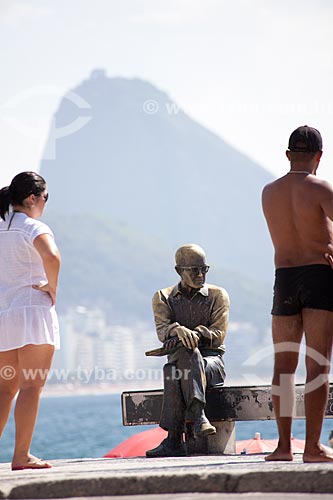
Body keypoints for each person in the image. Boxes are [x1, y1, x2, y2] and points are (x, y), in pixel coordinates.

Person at [262, 126, 333, 463]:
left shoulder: (269, 192)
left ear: (288, 154)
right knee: (317, 365)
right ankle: (313, 447)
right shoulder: (321, 188)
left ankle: (282, 447)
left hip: (285, 278)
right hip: (319, 275)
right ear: (319, 156)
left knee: (283, 367)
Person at [0, 172, 61, 470]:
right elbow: (52, 257)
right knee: (31, 386)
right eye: (45, 198)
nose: (45, 204)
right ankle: (21, 456)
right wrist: (52, 287)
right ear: (32, 199)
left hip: (4, 314)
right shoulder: (33, 226)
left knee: (4, 389)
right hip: (32, 312)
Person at [146, 243, 229, 457]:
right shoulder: (163, 297)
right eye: (194, 270)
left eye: (204, 269)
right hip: (181, 367)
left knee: (183, 360)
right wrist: (176, 330)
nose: (201, 274)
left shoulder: (218, 295)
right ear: (179, 271)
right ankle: (198, 417)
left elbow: (218, 334)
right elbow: (162, 331)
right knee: (175, 368)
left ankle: (174, 439)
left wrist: (194, 335)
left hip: (211, 365)